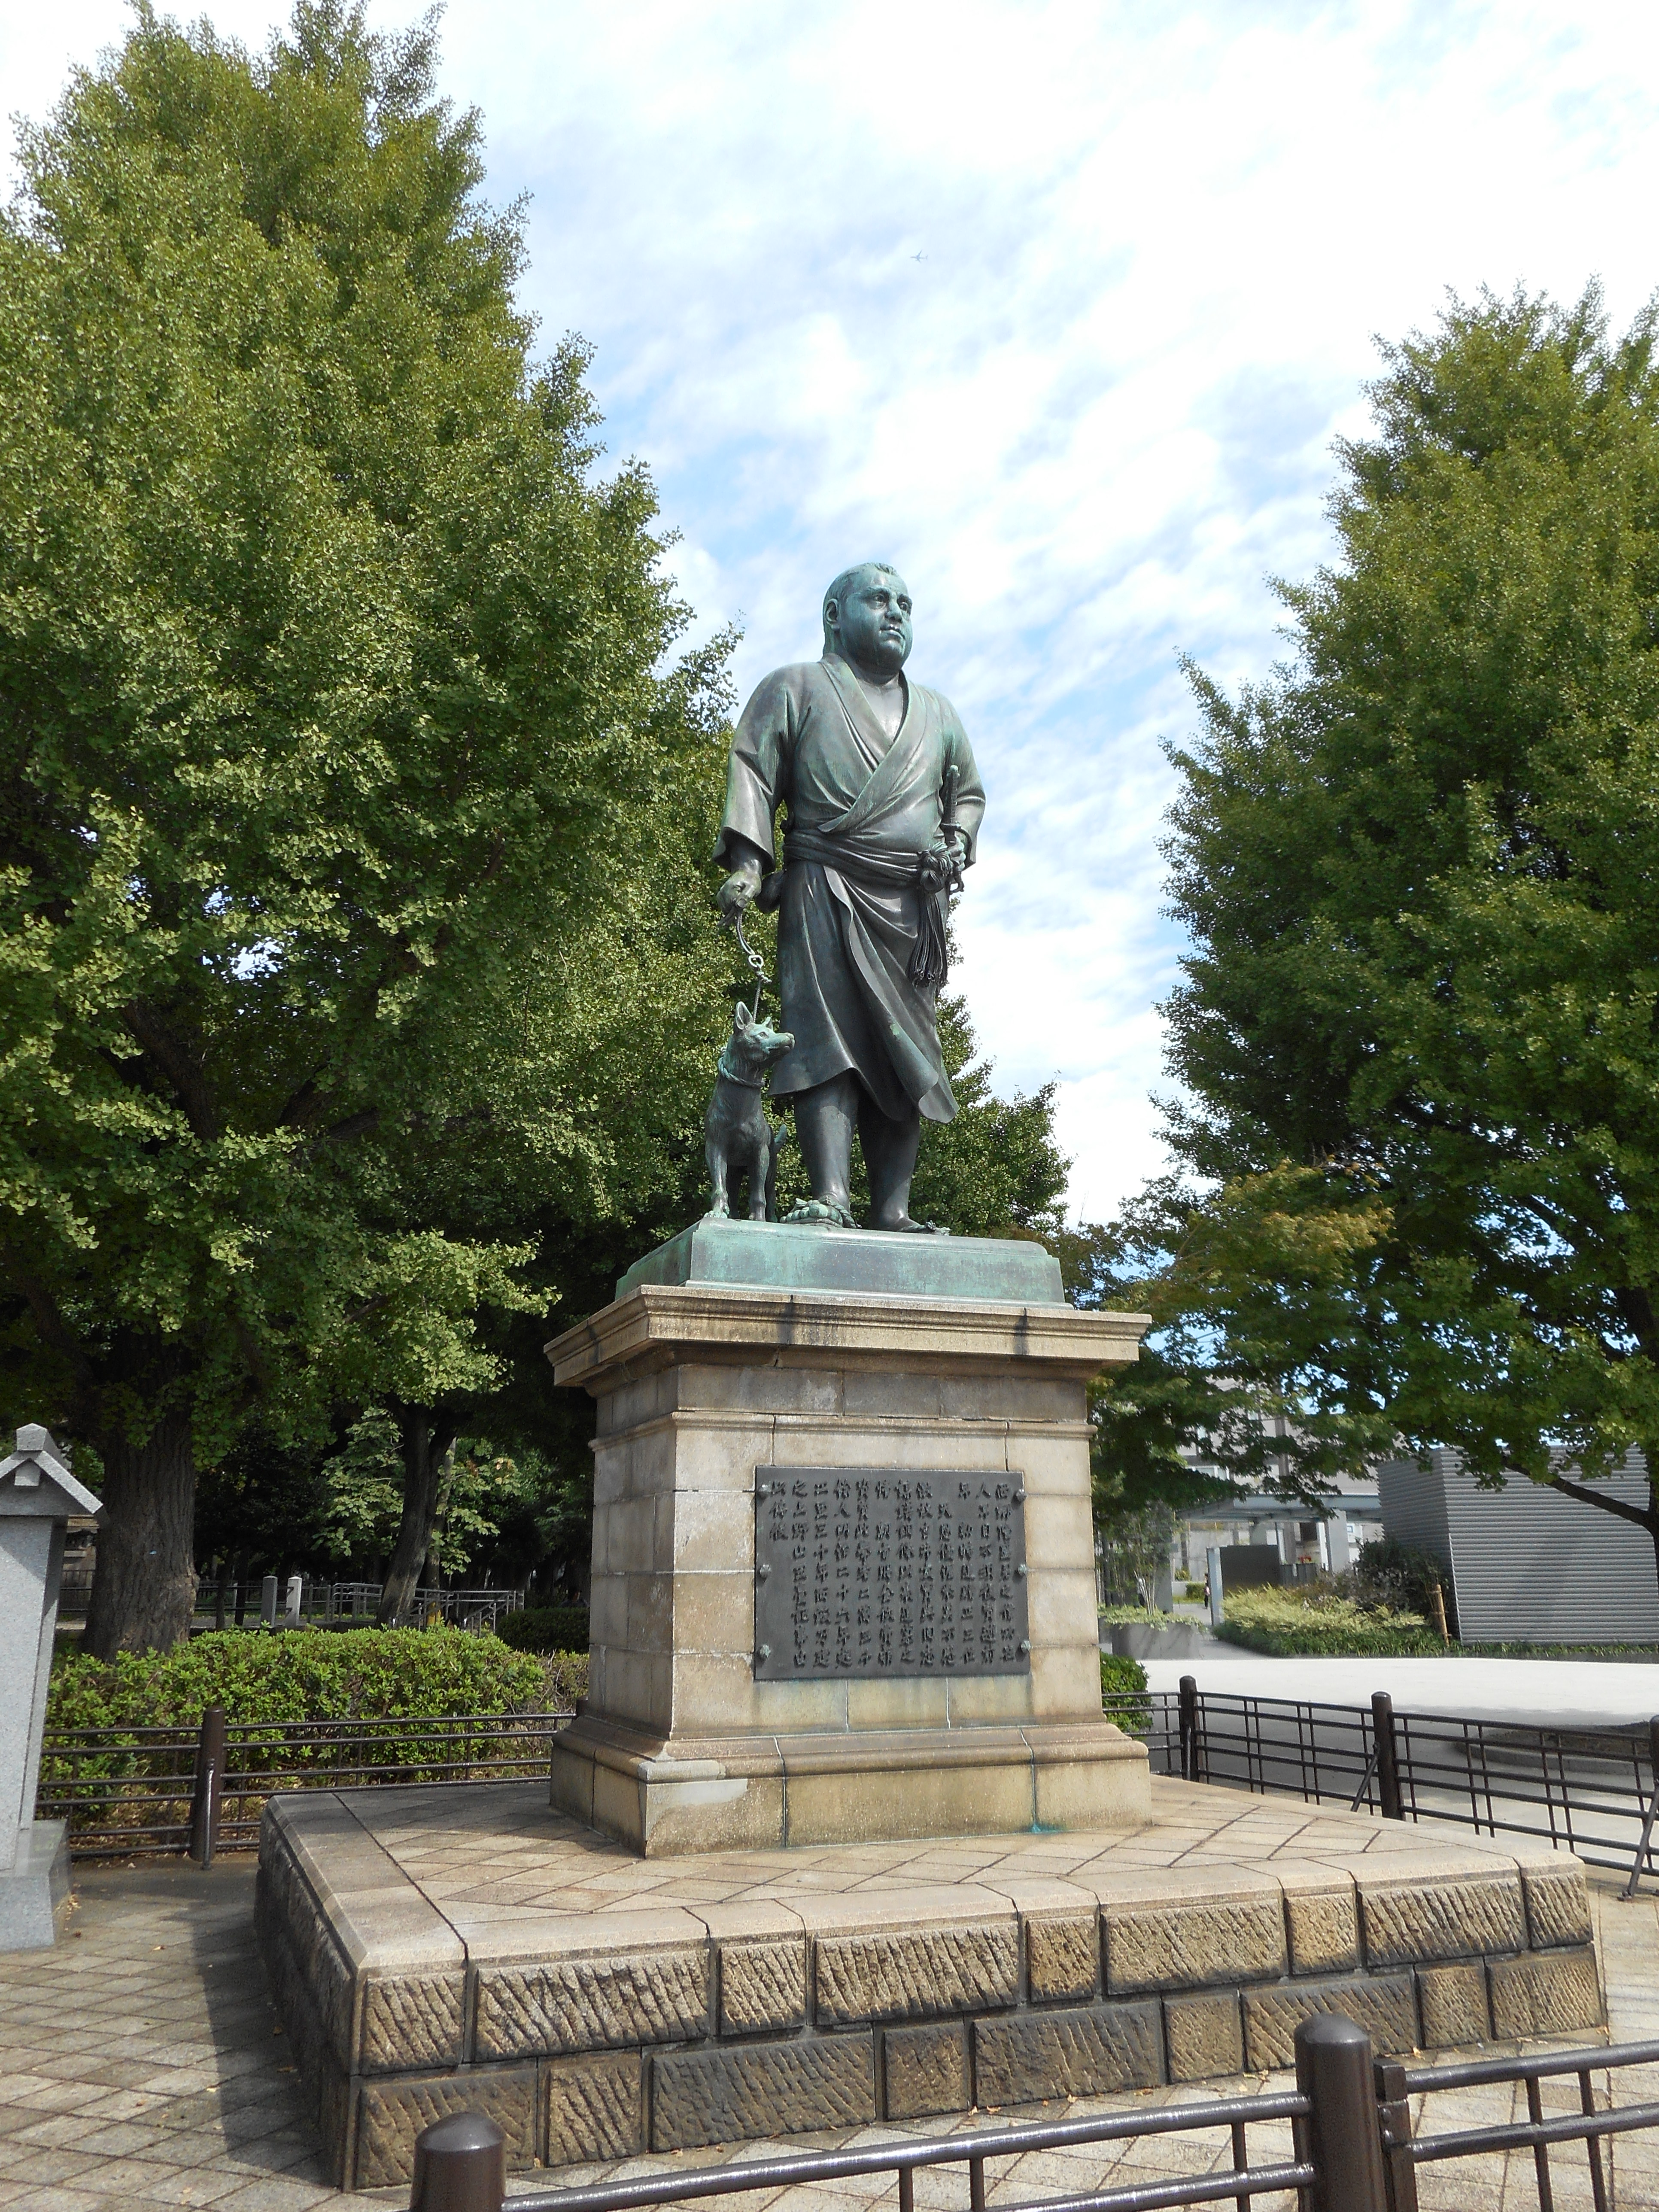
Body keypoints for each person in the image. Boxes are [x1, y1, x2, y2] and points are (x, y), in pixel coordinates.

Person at [714, 561, 985, 1231]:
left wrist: (956, 840)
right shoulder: (794, 687)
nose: (896, 613)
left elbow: (968, 796)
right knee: (824, 1039)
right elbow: (754, 773)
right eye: (879, 600)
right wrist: (748, 866)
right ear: (835, 615)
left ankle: (894, 1209)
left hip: (912, 903)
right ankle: (832, 1196)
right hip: (822, 885)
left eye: (906, 605)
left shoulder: (938, 714)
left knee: (907, 1052)